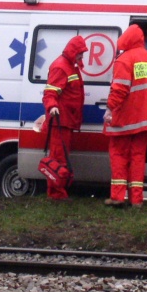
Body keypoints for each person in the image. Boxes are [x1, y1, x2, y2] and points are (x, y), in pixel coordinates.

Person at [103, 24, 147, 208]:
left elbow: (119, 89)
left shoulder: (124, 60)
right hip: (145, 120)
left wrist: (109, 108)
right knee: (138, 159)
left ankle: (118, 197)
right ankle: (137, 200)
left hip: (125, 120)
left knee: (118, 156)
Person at [42, 36, 88, 201]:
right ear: (73, 52)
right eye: (80, 53)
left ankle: (59, 192)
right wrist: (52, 106)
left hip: (66, 121)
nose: (82, 57)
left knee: (61, 158)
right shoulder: (61, 67)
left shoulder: (70, 66)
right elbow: (50, 93)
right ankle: (56, 194)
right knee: (58, 159)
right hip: (60, 122)